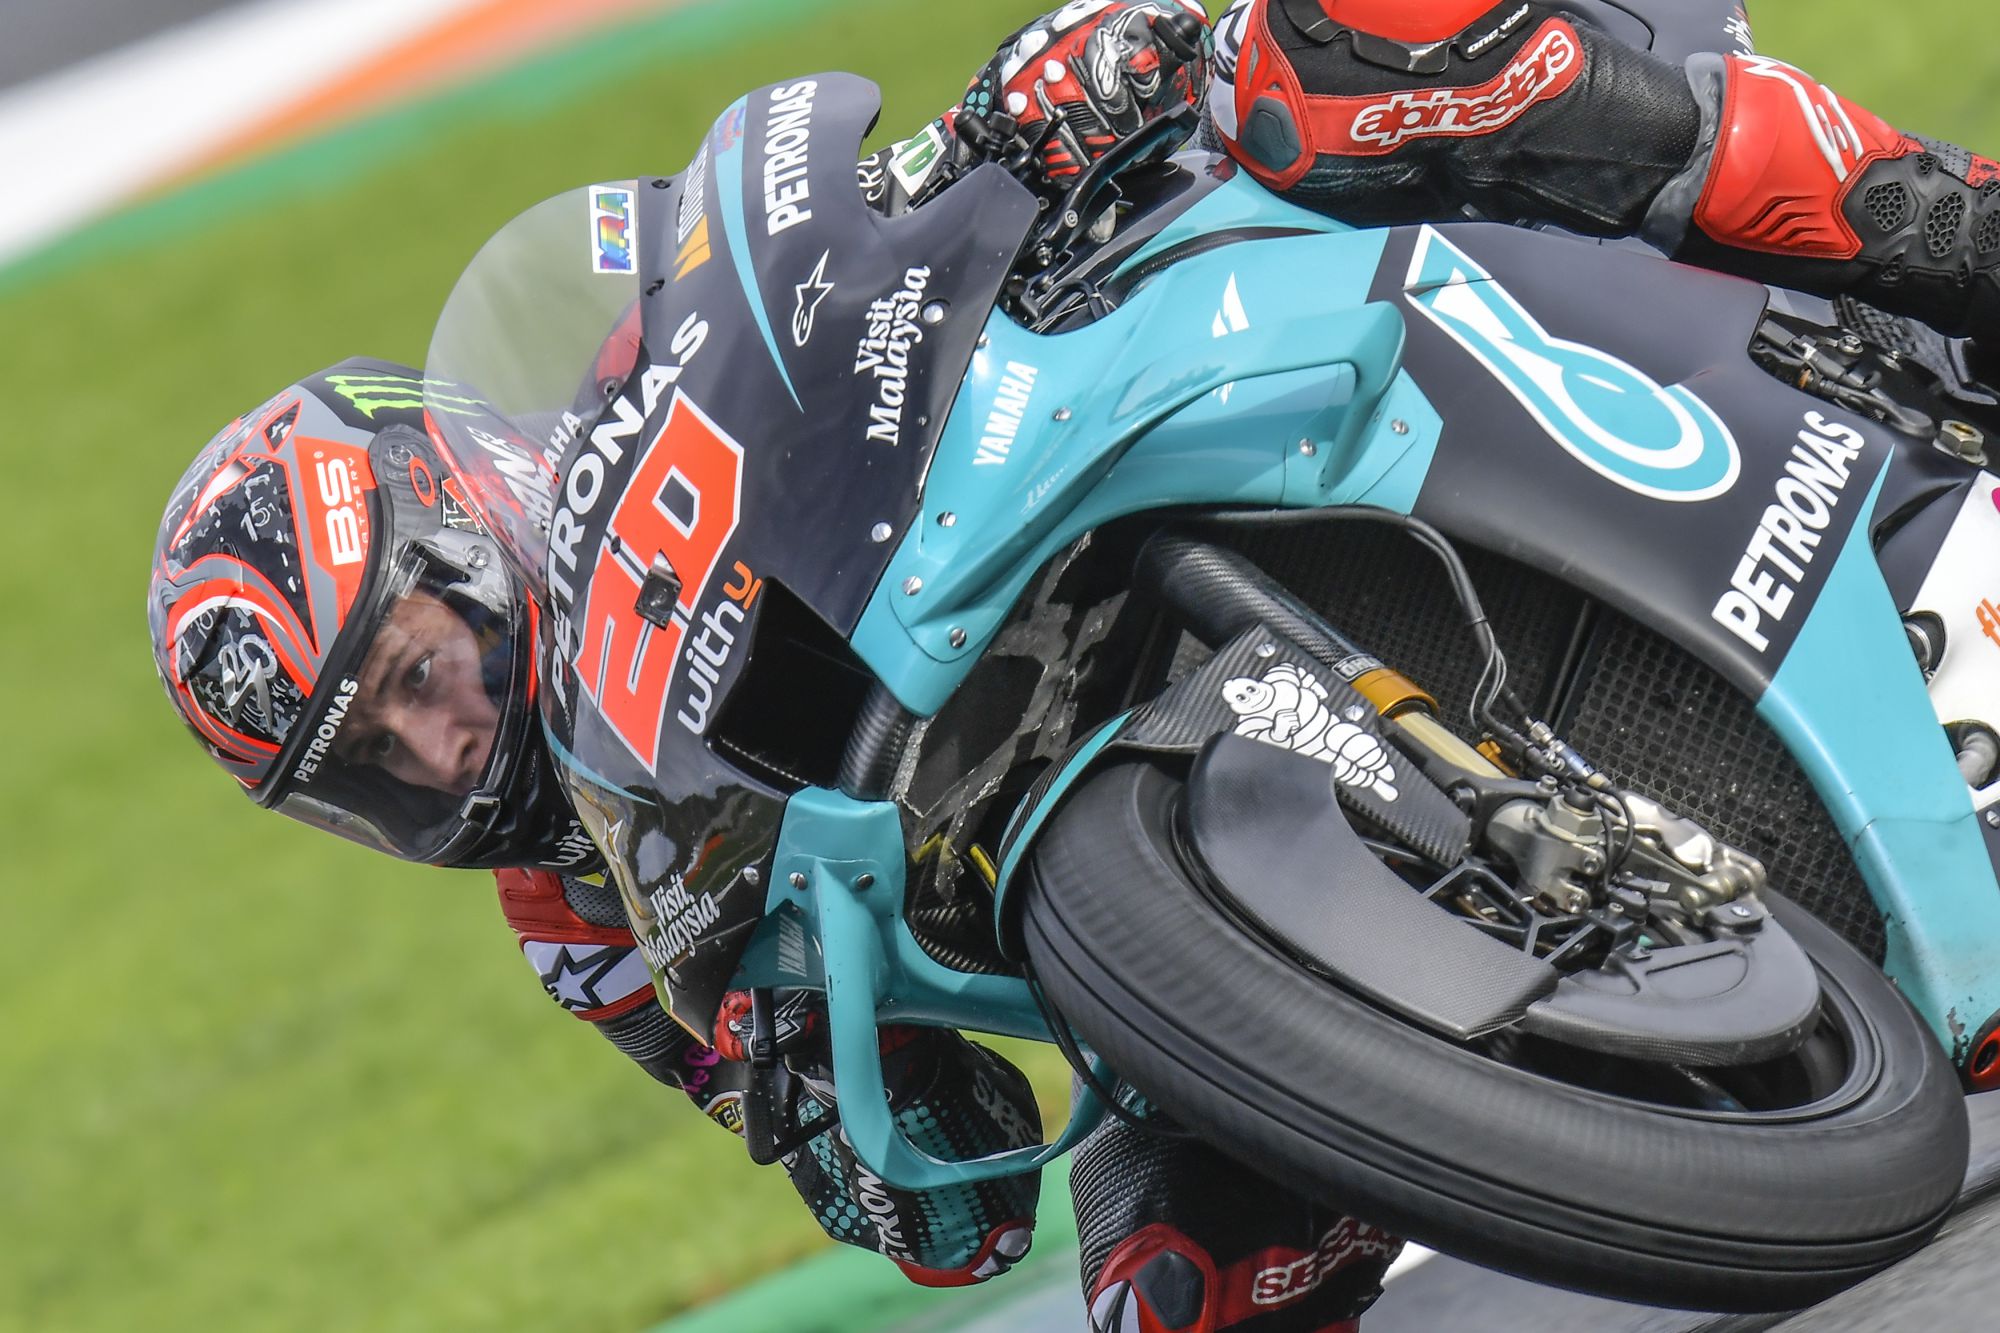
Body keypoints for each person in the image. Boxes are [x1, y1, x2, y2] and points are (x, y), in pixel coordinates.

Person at [147, 4, 2000, 1330]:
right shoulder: (580, 909)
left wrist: (1030, 106)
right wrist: (846, 1133)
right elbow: (938, 1201)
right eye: (372, 763)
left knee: (1315, 62)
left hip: (1161, 373)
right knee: (1168, 1295)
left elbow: (840, 235)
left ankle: (1938, 226)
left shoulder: (634, 386)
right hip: (1163, 900)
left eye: (417, 660)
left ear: (467, 498)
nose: (440, 739)